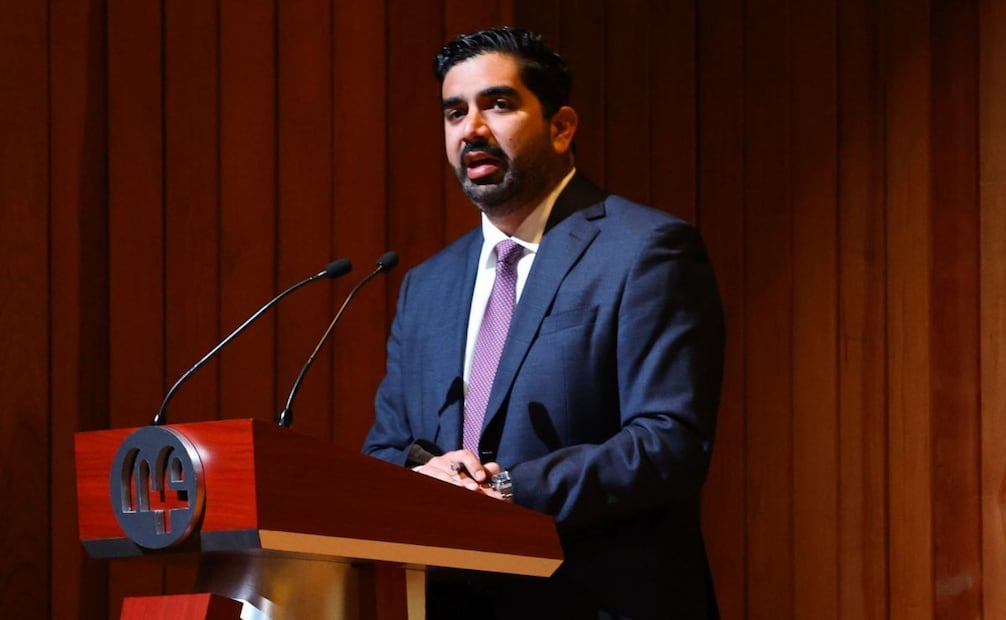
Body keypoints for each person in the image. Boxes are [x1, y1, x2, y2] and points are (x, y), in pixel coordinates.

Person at [363, 26, 725, 619]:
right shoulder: (425, 286)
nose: (471, 130)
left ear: (561, 127)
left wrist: (503, 493)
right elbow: (384, 449)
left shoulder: (646, 251)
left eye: (498, 104)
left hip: (596, 598)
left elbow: (668, 443)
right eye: (455, 113)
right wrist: (424, 476)